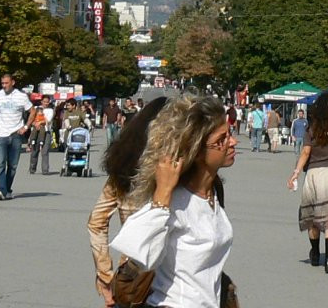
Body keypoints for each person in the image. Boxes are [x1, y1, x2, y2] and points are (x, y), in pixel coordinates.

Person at [109, 94, 236, 307]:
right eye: (220, 140)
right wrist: (162, 193)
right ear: (196, 151)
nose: (232, 143)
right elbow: (141, 252)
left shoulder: (213, 191)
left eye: (229, 134)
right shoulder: (174, 199)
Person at [87, 96, 171, 306]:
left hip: (133, 275)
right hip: (176, 278)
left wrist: (105, 274)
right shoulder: (183, 171)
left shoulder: (125, 171)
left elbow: (96, 222)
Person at [289, 93, 328, 273]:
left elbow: (305, 153)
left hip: (314, 175)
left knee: (313, 218)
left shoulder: (311, 130)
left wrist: (295, 173)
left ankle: (315, 252)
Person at [0, 73, 33, 200]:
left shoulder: (21, 96)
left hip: (16, 134)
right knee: (0, 163)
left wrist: (26, 127)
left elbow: (32, 111)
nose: (4, 86)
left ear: (13, 82)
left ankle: (6, 188)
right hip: (0, 134)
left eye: (6, 83)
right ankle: (1, 189)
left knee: (12, 166)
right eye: (2, 83)